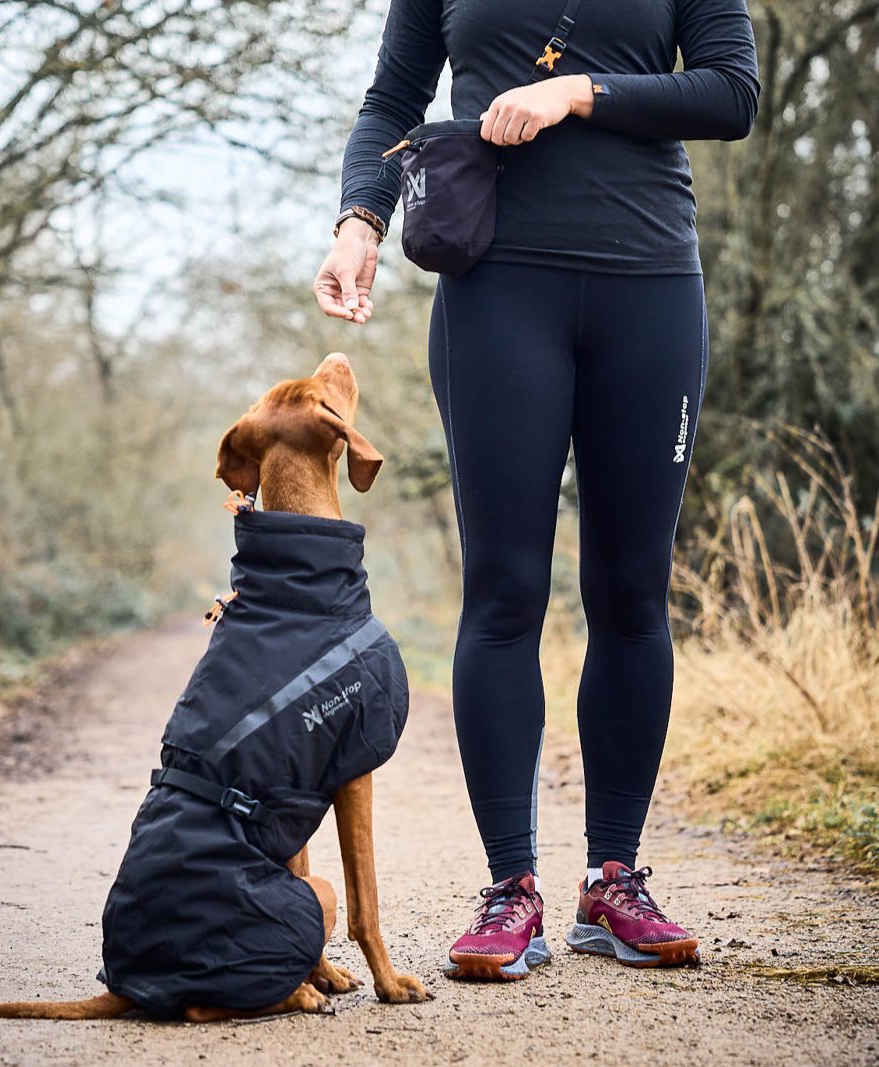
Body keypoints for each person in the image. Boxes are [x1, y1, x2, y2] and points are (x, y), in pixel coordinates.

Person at [313, 0, 759, 978]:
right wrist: (358, 220)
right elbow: (391, 98)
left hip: (648, 283)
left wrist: (578, 91)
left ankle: (614, 878)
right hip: (496, 289)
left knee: (631, 589)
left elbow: (731, 94)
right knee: (505, 589)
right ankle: (509, 886)